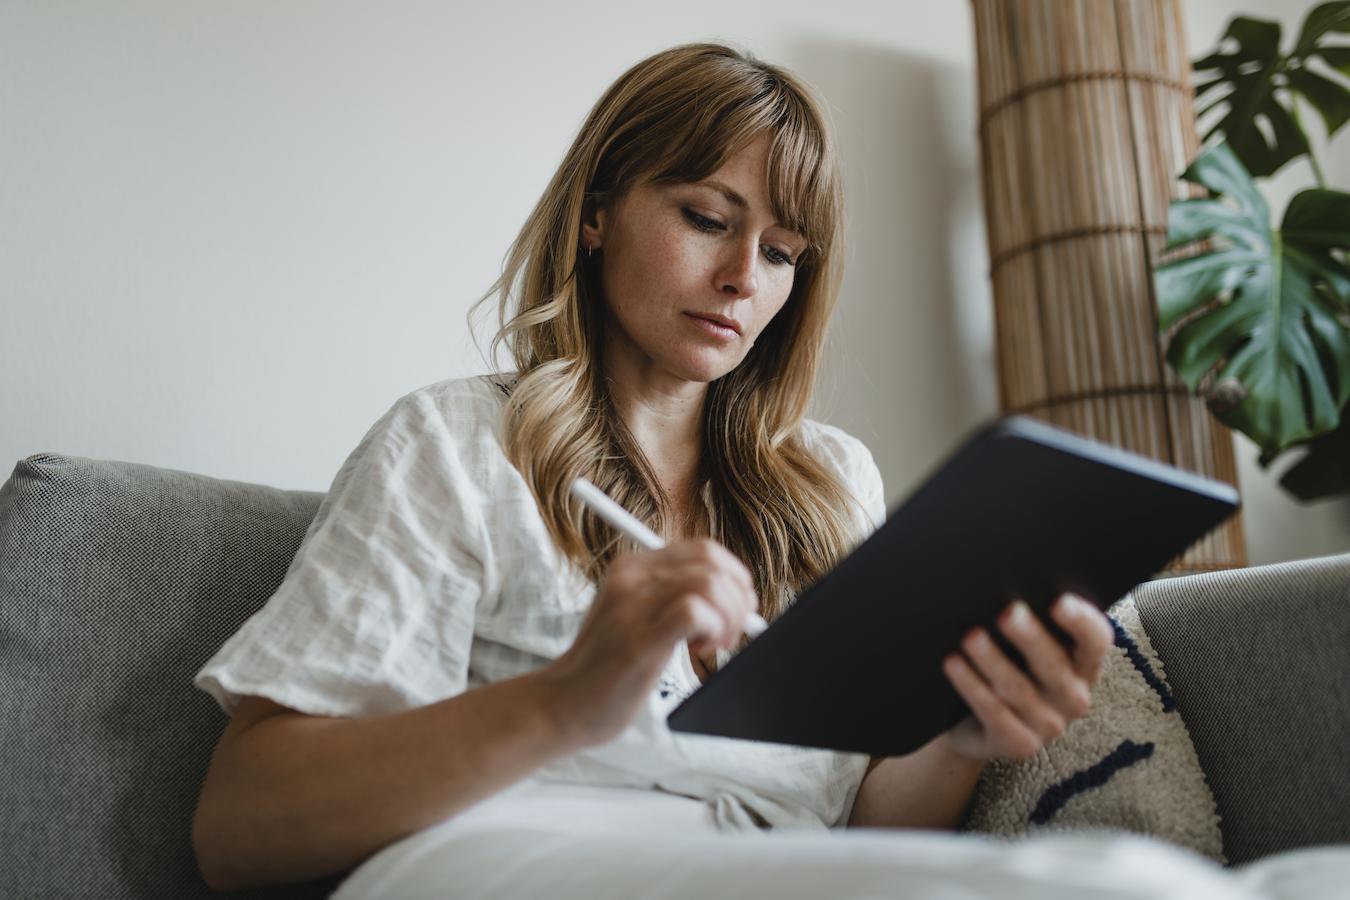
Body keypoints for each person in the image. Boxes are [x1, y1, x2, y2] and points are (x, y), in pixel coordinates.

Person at [187, 42, 1207, 899]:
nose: (740, 278)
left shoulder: (831, 484)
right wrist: (565, 701)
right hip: (513, 860)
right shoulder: (456, 445)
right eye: (707, 219)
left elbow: (857, 828)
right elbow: (238, 827)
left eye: (781, 251)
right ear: (596, 214)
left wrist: (963, 739)